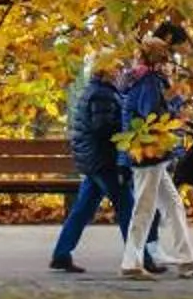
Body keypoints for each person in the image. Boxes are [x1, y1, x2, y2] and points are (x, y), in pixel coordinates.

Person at [114, 35, 193, 281]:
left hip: (152, 153)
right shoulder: (149, 82)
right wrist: (175, 109)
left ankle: (188, 259)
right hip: (148, 152)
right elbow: (153, 115)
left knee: (173, 205)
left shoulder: (147, 80)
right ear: (158, 59)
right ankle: (131, 262)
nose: (168, 63)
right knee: (144, 207)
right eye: (165, 58)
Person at [47, 52, 135, 274]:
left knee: (83, 209)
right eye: (116, 67)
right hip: (104, 161)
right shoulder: (102, 94)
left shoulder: (98, 91)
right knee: (126, 206)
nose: (119, 71)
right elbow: (103, 127)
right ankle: (138, 257)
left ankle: (61, 254)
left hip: (94, 160)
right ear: (105, 70)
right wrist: (128, 128)